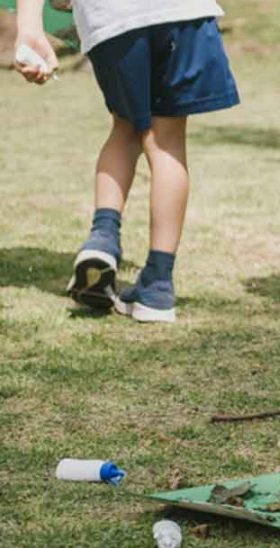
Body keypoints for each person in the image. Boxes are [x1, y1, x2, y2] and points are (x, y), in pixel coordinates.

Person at [12, 0, 240, 322]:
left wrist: (30, 26)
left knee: (125, 126)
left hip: (114, 16)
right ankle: (158, 286)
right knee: (167, 143)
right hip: (184, 12)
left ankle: (103, 238)